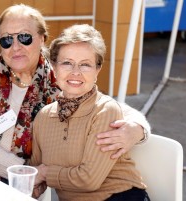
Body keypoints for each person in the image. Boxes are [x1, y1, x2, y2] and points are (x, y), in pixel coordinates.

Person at [0, 3, 150, 188]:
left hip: (22, 185)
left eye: (24, 37)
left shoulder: (61, 75)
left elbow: (110, 106)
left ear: (42, 38)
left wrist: (137, 129)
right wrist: (22, 170)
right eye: (6, 40)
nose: (15, 47)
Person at [30, 24, 150, 201]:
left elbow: (88, 180)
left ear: (97, 70)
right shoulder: (44, 117)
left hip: (120, 197)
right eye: (67, 63)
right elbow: (35, 172)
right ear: (54, 67)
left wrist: (45, 173)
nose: (76, 72)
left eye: (85, 65)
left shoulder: (105, 110)